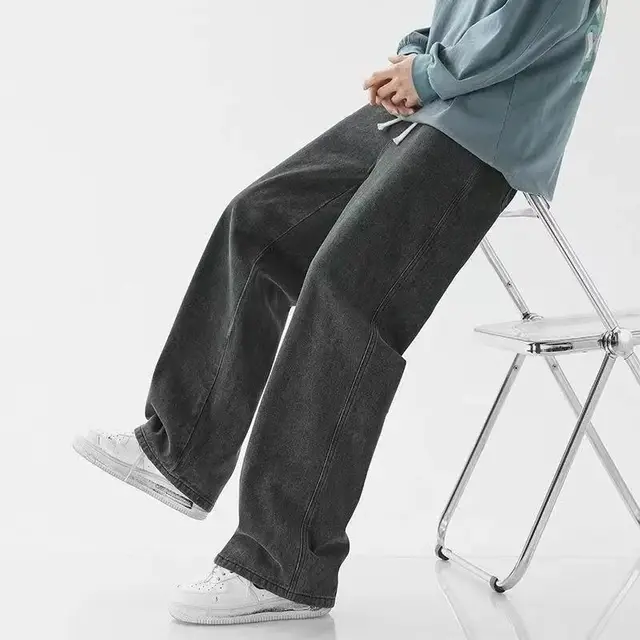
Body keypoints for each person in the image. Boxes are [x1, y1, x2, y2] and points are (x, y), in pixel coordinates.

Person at [73, 0, 608, 626]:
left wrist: (428, 75)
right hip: (436, 97)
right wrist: (415, 57)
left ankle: (282, 564)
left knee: (345, 295)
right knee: (259, 221)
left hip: (485, 124)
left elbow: (543, 17)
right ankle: (180, 450)